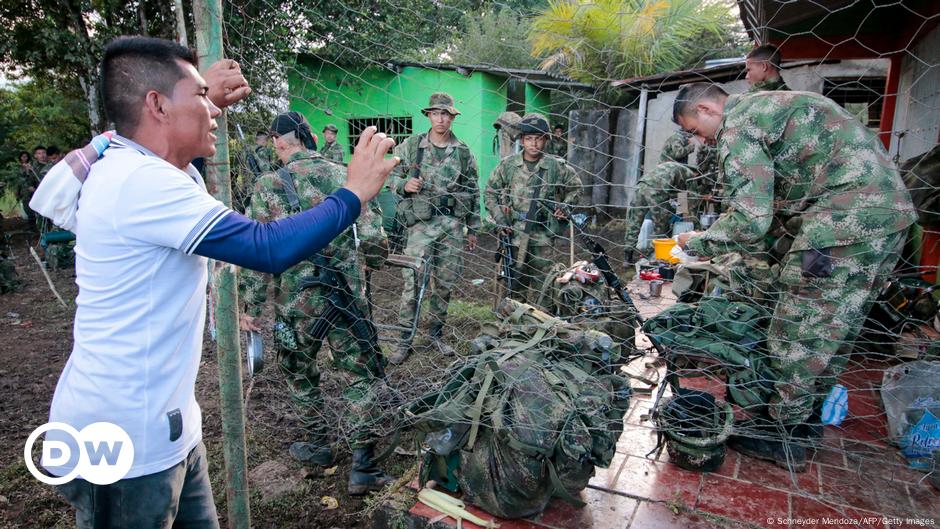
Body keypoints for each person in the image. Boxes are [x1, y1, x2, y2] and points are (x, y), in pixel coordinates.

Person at [37, 36, 398, 529]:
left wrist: (203, 97)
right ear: (158, 105)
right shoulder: (139, 183)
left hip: (168, 431)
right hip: (124, 442)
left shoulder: (153, 171)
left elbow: (186, 182)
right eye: (201, 97)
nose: (214, 110)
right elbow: (265, 248)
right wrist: (353, 192)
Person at [673, 82, 916, 471]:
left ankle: (782, 436)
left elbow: (751, 219)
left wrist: (698, 242)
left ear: (705, 109)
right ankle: (805, 424)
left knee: (797, 328)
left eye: (694, 129)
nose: (700, 140)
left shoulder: (737, 124)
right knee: (835, 330)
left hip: (839, 228)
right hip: (890, 221)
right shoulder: (777, 105)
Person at [239, 111, 393, 494]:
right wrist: (369, 263)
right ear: (308, 137)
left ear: (279, 141)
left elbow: (256, 253)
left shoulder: (267, 184)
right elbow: (374, 241)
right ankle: (363, 465)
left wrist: (250, 308)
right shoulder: (345, 175)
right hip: (345, 300)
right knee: (361, 375)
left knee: (298, 372)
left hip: (295, 304)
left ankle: (318, 446)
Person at [387, 92, 480, 363]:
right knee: (412, 283)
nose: (441, 119)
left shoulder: (463, 152)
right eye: (436, 113)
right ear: (428, 115)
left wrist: (472, 229)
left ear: (452, 117)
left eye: (446, 114)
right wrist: (403, 184)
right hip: (420, 226)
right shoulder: (411, 145)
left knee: (444, 284)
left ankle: (435, 335)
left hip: (451, 226)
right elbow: (389, 173)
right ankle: (404, 340)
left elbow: (473, 190)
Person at [485, 113, 580, 303]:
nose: (533, 144)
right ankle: (514, 327)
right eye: (529, 139)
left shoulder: (556, 166)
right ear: (522, 139)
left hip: (543, 234)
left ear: (546, 140)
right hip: (514, 234)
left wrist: (565, 207)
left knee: (543, 286)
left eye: (538, 139)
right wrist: (501, 220)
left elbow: (576, 188)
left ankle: (541, 324)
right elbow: (489, 193)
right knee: (514, 285)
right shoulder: (508, 165)